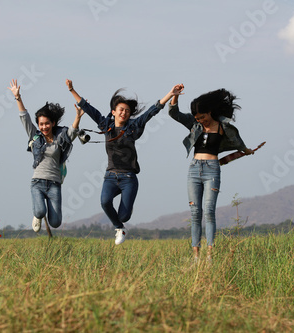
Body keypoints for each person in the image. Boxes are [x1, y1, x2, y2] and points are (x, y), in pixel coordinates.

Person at [66, 79, 184, 245]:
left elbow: (152, 111)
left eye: (127, 111)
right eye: (121, 110)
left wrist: (170, 94)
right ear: (113, 112)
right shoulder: (105, 125)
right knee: (105, 202)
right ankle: (119, 228)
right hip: (110, 176)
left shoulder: (133, 126)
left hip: (129, 178)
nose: (124, 113)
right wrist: (72, 89)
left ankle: (121, 221)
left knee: (124, 215)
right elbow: (88, 108)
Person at [168, 85, 254, 261]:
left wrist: (247, 150)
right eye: (197, 118)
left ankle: (209, 256)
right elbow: (174, 113)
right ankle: (196, 257)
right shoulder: (194, 124)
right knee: (195, 212)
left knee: (209, 211)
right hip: (193, 169)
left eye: (203, 116)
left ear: (210, 112)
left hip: (212, 169)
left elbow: (238, 143)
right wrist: (174, 96)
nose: (201, 120)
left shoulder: (223, 126)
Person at [8, 79, 84, 232]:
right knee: (40, 211)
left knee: (55, 222)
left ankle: (41, 214)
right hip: (37, 182)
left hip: (54, 184)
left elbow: (72, 132)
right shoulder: (35, 137)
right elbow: (25, 118)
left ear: (53, 123)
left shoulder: (60, 138)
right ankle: (37, 215)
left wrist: (78, 117)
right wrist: (18, 97)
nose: (44, 127)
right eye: (41, 124)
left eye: (47, 123)